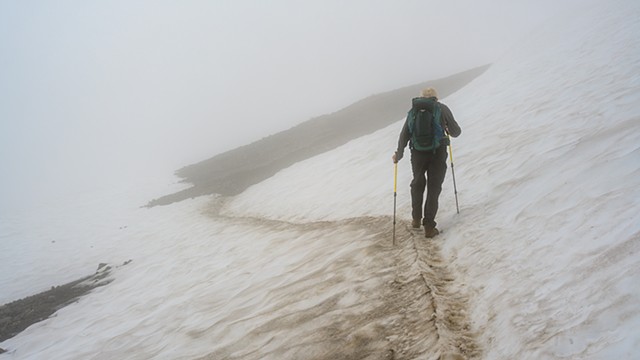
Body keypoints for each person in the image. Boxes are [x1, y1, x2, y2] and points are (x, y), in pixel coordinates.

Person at [392, 87, 461, 238]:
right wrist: (447, 129)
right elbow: (456, 132)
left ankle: (416, 219)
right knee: (433, 187)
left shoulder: (414, 111)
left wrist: (399, 153)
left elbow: (404, 134)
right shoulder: (442, 109)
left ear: (421, 98)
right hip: (438, 153)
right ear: (436, 98)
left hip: (417, 154)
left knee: (417, 183)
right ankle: (429, 226)